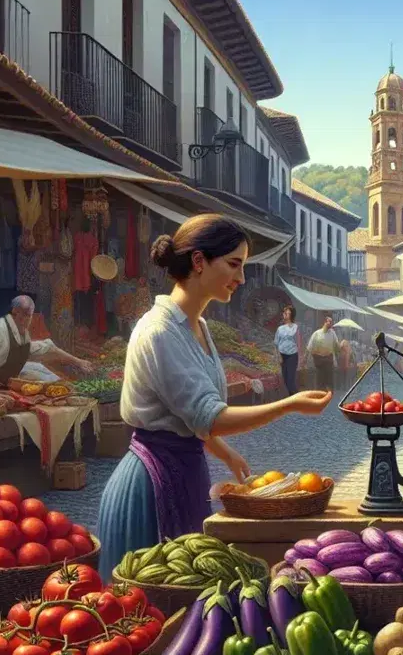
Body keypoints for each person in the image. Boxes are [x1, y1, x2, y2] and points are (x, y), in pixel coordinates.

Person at [96, 215, 330, 579]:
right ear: (199, 261)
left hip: (186, 473)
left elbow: (189, 414)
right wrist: (289, 405)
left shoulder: (198, 326)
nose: (242, 278)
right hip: (151, 484)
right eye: (234, 264)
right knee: (153, 592)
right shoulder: (159, 331)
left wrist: (224, 452)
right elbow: (210, 416)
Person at [0, 295, 91, 390]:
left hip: (6, 388)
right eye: (26, 315)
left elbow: (48, 348)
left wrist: (78, 362)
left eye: (30, 315)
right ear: (15, 312)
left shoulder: (22, 335)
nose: (28, 320)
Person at [305, 315, 339, 391]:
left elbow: (336, 346)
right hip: (319, 361)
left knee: (330, 381)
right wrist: (305, 359)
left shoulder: (332, 333)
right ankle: (320, 394)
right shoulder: (316, 333)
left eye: (331, 322)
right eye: (329, 321)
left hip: (329, 360)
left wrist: (339, 350)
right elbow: (309, 347)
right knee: (319, 381)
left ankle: (330, 395)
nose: (330, 323)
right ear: (324, 322)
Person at [273, 305, 301, 396]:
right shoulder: (280, 329)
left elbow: (299, 343)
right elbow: (276, 343)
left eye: (287, 313)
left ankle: (297, 398)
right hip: (282, 355)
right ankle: (293, 398)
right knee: (285, 380)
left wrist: (300, 358)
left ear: (291, 315)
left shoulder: (295, 327)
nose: (284, 314)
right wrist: (278, 356)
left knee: (290, 380)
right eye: (284, 312)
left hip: (292, 355)